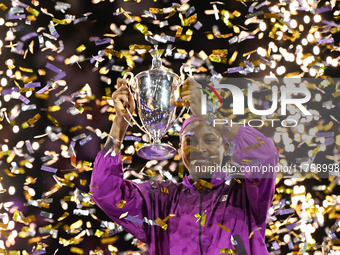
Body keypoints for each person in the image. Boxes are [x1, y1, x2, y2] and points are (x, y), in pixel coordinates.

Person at [90, 77, 280, 255]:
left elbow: (266, 156)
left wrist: (209, 115)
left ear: (227, 148)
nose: (199, 148)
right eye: (189, 142)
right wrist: (120, 123)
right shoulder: (160, 200)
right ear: (180, 150)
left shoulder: (245, 195)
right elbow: (105, 191)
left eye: (209, 139)